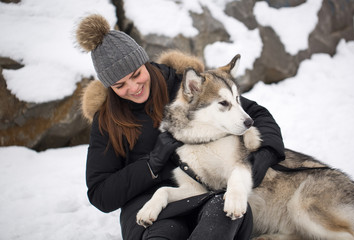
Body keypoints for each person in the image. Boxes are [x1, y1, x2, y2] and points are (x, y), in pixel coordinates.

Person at [76, 14, 285, 240]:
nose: (134, 87)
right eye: (120, 85)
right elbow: (100, 194)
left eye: (137, 74)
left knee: (222, 214)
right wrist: (151, 163)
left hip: (206, 193)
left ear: (144, 62)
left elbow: (254, 114)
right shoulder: (107, 121)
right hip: (148, 206)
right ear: (109, 87)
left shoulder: (181, 85)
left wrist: (266, 153)